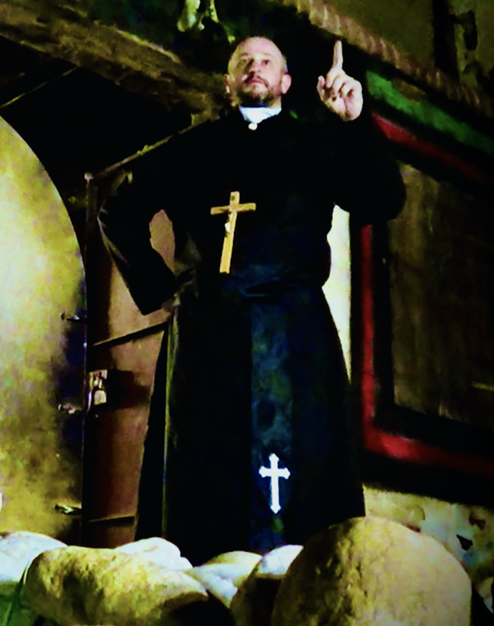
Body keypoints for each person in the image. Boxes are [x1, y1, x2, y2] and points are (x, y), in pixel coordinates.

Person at [98, 36, 406, 564]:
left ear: (286, 81)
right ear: (228, 82)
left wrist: (355, 123)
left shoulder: (317, 143)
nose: (255, 67)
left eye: (267, 61)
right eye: (244, 61)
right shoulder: (191, 148)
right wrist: (162, 291)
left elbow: (382, 199)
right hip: (205, 338)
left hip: (295, 336)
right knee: (202, 484)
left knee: (299, 489)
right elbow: (116, 210)